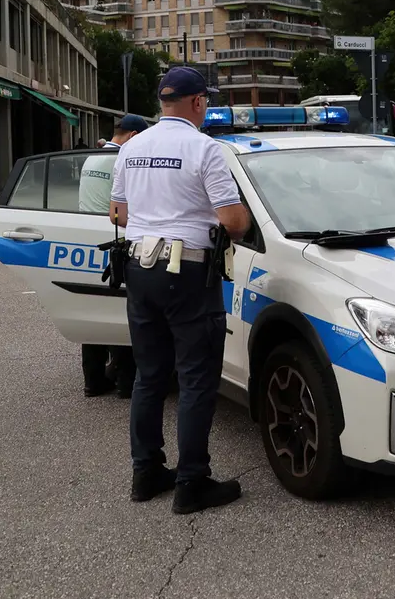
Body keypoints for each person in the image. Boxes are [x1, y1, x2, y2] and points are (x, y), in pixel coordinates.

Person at [109, 67, 250, 514]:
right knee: (195, 379)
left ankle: (146, 474)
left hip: (139, 268)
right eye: (205, 102)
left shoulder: (131, 148)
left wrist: (156, 217)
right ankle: (192, 482)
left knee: (149, 377)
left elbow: (118, 213)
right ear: (197, 103)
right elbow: (233, 222)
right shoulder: (204, 148)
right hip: (187, 272)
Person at [79, 114, 149, 399]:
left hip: (84, 238)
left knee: (93, 311)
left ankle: (93, 380)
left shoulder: (92, 156)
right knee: (121, 311)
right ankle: (125, 381)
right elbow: (126, 209)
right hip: (114, 242)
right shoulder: (122, 160)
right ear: (133, 136)